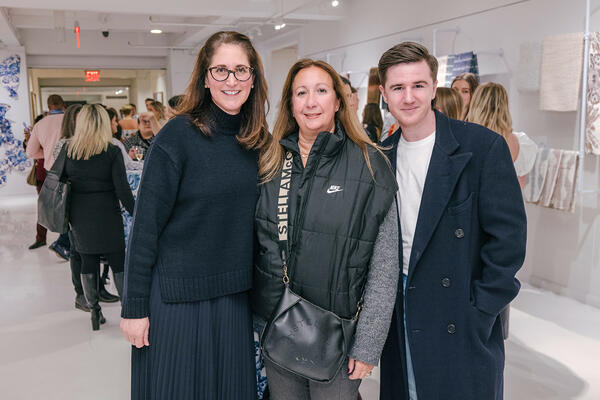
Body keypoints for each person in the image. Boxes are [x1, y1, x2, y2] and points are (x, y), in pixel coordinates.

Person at [120, 31, 270, 400]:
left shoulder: (258, 141)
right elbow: (144, 228)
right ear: (205, 77)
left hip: (233, 299)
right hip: (176, 300)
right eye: (221, 70)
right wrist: (134, 307)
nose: (231, 80)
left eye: (240, 70)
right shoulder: (177, 136)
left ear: (253, 78)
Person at [377, 42, 526, 400]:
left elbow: (508, 238)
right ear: (384, 94)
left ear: (433, 86)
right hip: (400, 301)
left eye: (418, 85)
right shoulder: (380, 156)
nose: (409, 97)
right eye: (398, 87)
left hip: (458, 305)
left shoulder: (481, 147)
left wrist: (483, 306)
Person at [252, 58, 399, 399]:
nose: (310, 101)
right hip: (278, 328)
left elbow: (384, 267)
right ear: (290, 103)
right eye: (300, 92)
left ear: (338, 101)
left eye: (320, 91)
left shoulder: (369, 165)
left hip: (340, 337)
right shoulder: (270, 163)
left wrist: (368, 345)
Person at [63, 104, 134, 330]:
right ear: (103, 123)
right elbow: (122, 190)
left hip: (79, 214)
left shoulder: (69, 150)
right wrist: (138, 214)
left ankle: (94, 310)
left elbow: (61, 183)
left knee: (87, 260)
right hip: (106, 213)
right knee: (118, 261)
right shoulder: (111, 151)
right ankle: (128, 312)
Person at [466, 82, 538, 189]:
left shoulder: (468, 138)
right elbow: (520, 187)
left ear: (476, 105)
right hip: (508, 204)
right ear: (504, 105)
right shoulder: (521, 143)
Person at [26, 94, 71, 261]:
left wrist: (46, 154)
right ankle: (66, 242)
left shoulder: (40, 124)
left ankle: (58, 241)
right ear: (63, 104)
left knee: (55, 206)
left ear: (48, 106)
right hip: (74, 169)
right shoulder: (71, 120)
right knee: (73, 207)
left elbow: (30, 152)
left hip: (52, 172)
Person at [23, 114, 47, 250]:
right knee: (43, 208)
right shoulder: (37, 136)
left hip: (51, 173)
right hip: (41, 176)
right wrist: (29, 140)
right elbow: (29, 151)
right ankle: (41, 238)